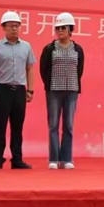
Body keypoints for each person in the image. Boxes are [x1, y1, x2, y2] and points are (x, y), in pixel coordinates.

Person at [0, 11, 36, 169]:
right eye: (11, 26)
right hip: (3, 89)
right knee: (0, 126)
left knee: (17, 126)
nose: (14, 28)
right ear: (3, 27)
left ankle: (17, 159)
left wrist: (30, 90)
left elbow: (30, 68)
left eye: (17, 25)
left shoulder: (26, 46)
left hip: (20, 90)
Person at [39, 12, 85, 169]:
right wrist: (50, 84)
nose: (59, 31)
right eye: (57, 28)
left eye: (63, 28)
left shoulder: (77, 49)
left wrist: (72, 83)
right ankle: (53, 158)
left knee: (68, 125)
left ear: (70, 29)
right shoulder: (49, 49)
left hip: (71, 91)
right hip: (53, 91)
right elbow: (44, 70)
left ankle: (66, 159)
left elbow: (79, 70)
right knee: (53, 125)